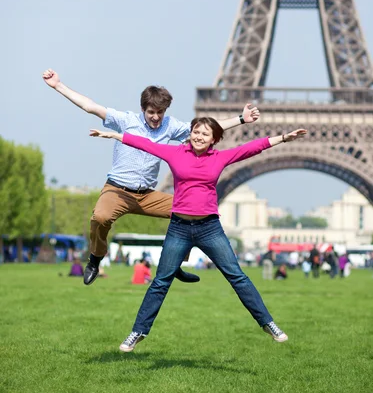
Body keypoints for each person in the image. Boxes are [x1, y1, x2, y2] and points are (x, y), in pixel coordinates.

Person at [90, 118, 307, 351]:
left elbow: (250, 148)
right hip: (179, 228)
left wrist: (283, 138)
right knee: (160, 282)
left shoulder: (220, 157)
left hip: (209, 228)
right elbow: (145, 144)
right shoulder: (175, 153)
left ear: (214, 138)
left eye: (205, 134)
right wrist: (115, 136)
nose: (199, 136)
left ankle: (268, 323)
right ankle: (138, 331)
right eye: (195, 132)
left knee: (237, 276)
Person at [42, 68, 259, 286]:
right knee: (100, 218)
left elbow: (207, 129)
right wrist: (58, 85)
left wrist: (241, 119)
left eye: (160, 113)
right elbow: (90, 107)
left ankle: (174, 264)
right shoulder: (125, 121)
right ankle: (95, 259)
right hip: (117, 190)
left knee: (190, 211)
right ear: (142, 109)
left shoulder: (170, 126)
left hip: (147, 195)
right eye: (151, 112)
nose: (155, 118)